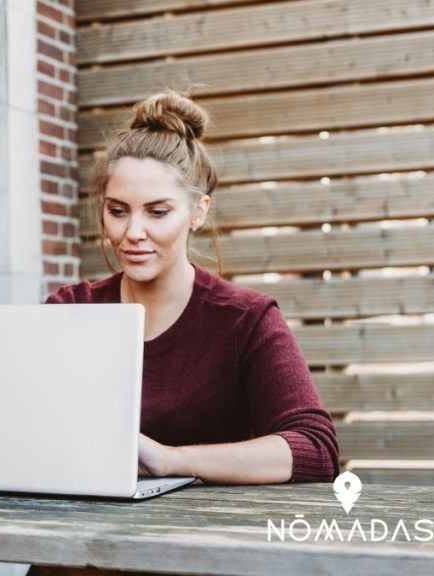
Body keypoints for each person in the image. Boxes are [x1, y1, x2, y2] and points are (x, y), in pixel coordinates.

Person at [46, 90, 339, 485]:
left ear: (197, 212)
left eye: (158, 212)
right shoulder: (71, 309)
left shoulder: (246, 320)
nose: (133, 233)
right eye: (117, 211)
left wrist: (171, 460)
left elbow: (315, 450)